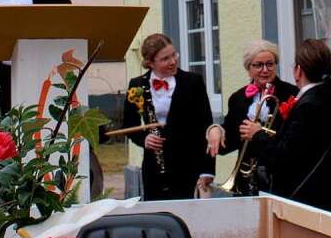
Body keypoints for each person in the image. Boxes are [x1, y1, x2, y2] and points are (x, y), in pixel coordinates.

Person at [247, 38, 331, 212]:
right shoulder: (321, 98)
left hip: (301, 202)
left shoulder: (309, 105)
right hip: (313, 199)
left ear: (298, 71)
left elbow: (283, 158)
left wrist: (258, 134)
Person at [121, 34, 215, 200]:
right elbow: (129, 124)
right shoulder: (137, 85)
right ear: (150, 63)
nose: (173, 61)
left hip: (188, 163)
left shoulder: (193, 81)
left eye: (174, 55)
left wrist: (207, 169)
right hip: (154, 165)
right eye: (165, 59)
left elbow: (206, 126)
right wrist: (144, 139)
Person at [206, 40, 297, 195]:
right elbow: (231, 141)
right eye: (258, 65)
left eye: (270, 64)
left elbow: (292, 141)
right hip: (246, 179)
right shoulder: (238, 98)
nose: (265, 70)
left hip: (278, 178)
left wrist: (259, 132)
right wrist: (215, 130)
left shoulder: (291, 94)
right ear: (248, 68)